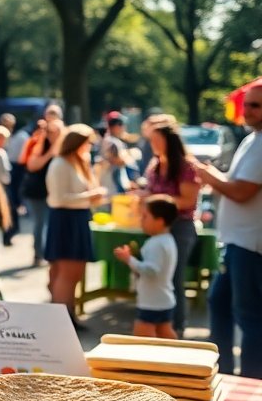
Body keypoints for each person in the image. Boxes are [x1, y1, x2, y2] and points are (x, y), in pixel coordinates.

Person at [194, 83, 262, 378]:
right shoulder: (252, 139)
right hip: (237, 242)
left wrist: (209, 176)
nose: (246, 110)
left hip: (250, 245)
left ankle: (251, 385)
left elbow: (242, 192)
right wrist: (214, 177)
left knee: (250, 319)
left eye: (255, 105)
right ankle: (224, 377)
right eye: (246, 104)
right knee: (220, 304)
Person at [138, 122, 200, 334]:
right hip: (157, 228)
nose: (153, 144)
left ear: (169, 141)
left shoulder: (185, 166)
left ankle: (177, 328)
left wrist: (154, 199)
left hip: (180, 228)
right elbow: (149, 191)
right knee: (156, 277)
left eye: (157, 139)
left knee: (174, 279)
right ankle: (159, 327)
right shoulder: (154, 165)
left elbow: (188, 200)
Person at [45, 124, 106, 322]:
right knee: (66, 273)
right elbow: (59, 198)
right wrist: (91, 195)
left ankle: (68, 316)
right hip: (66, 220)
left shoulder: (76, 163)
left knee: (73, 273)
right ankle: (62, 320)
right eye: (87, 143)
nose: (89, 147)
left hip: (76, 218)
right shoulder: (60, 164)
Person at [112, 195, 181, 338]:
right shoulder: (168, 240)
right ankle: (176, 356)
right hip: (163, 299)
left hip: (152, 303)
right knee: (165, 334)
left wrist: (129, 259)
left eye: (145, 217)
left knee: (142, 339)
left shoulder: (156, 244)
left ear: (160, 221)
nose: (141, 220)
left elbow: (150, 270)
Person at [21, 106, 65, 265]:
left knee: (52, 224)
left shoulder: (66, 143)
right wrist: (50, 151)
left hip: (56, 191)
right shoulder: (39, 140)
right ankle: (39, 254)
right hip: (38, 191)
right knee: (41, 223)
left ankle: (51, 253)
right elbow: (32, 165)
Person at [2, 113, 29, 244]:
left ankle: (12, 229)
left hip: (18, 169)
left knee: (14, 200)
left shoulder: (21, 136)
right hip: (7, 171)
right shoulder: (1, 135)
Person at [99, 112, 131, 195]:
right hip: (114, 184)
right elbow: (119, 161)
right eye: (121, 124)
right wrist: (130, 155)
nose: (123, 127)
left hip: (111, 182)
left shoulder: (108, 140)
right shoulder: (112, 142)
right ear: (115, 126)